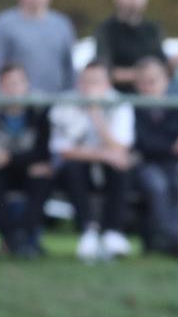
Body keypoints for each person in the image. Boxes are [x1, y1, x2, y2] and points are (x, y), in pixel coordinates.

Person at [49, 61, 134, 261]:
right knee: (73, 168)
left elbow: (120, 147)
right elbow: (63, 150)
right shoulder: (65, 103)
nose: (88, 86)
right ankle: (88, 231)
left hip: (108, 166)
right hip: (77, 167)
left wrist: (96, 114)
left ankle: (113, 231)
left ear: (107, 84)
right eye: (85, 81)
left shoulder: (120, 102)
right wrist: (103, 154)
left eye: (95, 81)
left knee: (121, 168)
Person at [0, 64, 52, 257]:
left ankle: (24, 238)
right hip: (0, 171)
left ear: (27, 85)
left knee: (42, 178)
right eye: (8, 83)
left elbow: (43, 152)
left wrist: (10, 159)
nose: (14, 88)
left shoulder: (39, 112)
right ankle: (13, 239)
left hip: (27, 169)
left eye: (18, 83)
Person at [132, 57, 178, 253]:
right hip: (144, 166)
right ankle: (174, 239)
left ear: (166, 80)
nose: (148, 87)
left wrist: (170, 145)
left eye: (153, 81)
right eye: (143, 82)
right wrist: (171, 146)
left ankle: (177, 238)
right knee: (156, 185)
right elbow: (141, 145)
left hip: (172, 165)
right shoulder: (132, 108)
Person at [95, 0, 178, 94]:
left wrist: (172, 65)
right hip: (120, 100)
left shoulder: (152, 29)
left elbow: (162, 65)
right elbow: (104, 71)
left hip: (151, 101)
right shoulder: (106, 30)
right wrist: (143, 75)